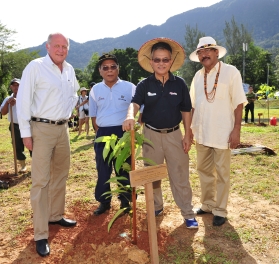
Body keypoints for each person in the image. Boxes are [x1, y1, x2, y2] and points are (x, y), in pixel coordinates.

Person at [122, 38, 198, 229]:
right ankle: (156, 207)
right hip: (151, 136)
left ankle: (188, 213)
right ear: (151, 62)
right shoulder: (144, 85)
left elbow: (186, 110)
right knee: (152, 174)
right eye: (157, 60)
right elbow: (135, 103)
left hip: (174, 135)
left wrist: (187, 134)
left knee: (180, 175)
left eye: (165, 60)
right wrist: (130, 116)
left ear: (171, 61)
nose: (161, 63)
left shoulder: (179, 84)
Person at [16, 33, 79, 257]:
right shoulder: (35, 67)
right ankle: (41, 234)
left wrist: (67, 114)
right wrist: (26, 133)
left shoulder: (69, 70)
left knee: (61, 173)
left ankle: (55, 215)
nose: (61, 50)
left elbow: (74, 94)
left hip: (62, 129)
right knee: (41, 181)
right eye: (57, 46)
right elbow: (23, 100)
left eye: (65, 46)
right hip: (41, 128)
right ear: (48, 46)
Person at [188, 36, 247, 226]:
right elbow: (193, 106)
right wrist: (189, 130)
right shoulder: (197, 77)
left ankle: (220, 210)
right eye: (200, 52)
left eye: (208, 50)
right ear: (198, 56)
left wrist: (236, 129)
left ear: (216, 52)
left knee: (222, 173)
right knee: (203, 170)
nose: (204, 55)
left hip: (223, 132)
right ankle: (207, 204)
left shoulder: (231, 72)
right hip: (202, 132)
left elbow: (239, 102)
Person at [89, 53, 135, 216]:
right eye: (105, 68)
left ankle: (125, 201)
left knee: (123, 168)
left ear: (118, 69)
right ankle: (104, 202)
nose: (109, 71)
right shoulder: (95, 90)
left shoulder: (130, 87)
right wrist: (99, 132)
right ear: (100, 71)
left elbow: (137, 109)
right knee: (103, 168)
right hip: (103, 134)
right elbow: (93, 115)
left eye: (113, 67)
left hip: (123, 133)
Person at [0, 78, 31, 172]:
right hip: (15, 125)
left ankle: (37, 165)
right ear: (11, 87)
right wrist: (7, 103)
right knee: (17, 145)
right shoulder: (7, 98)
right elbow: (3, 112)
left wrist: (18, 101)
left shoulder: (27, 97)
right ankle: (23, 165)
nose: (16, 87)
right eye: (14, 85)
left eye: (17, 85)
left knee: (32, 144)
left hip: (28, 124)